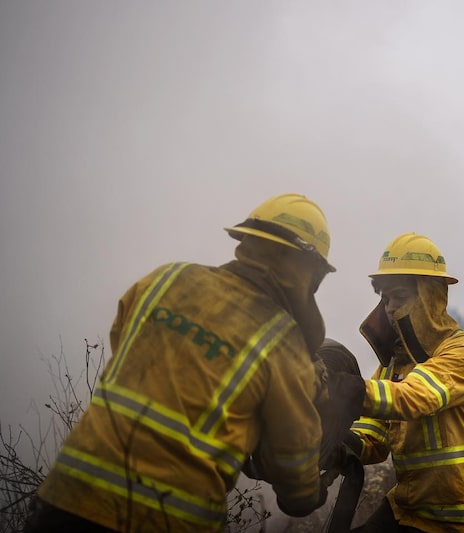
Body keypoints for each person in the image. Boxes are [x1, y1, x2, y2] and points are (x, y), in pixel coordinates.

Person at [25, 193, 337, 533]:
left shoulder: (165, 279)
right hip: (167, 520)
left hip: (65, 498)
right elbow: (292, 453)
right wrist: (308, 496)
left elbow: (124, 345)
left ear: (246, 240)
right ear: (308, 273)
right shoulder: (283, 341)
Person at [342, 232, 464, 532]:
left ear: (431, 296)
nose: (389, 308)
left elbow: (414, 397)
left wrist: (346, 389)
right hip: (409, 510)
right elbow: (373, 439)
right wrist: (340, 442)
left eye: (400, 297)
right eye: (385, 298)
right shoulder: (393, 364)